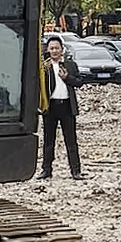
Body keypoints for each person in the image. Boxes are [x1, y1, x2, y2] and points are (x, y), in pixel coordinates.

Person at [38, 37, 83, 180]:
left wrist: (67, 77)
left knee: (71, 140)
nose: (54, 51)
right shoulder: (44, 67)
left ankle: (76, 171)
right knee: (48, 140)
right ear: (47, 50)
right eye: (51, 48)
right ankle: (46, 170)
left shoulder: (70, 65)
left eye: (57, 48)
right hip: (50, 107)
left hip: (67, 107)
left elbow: (79, 82)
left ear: (62, 49)